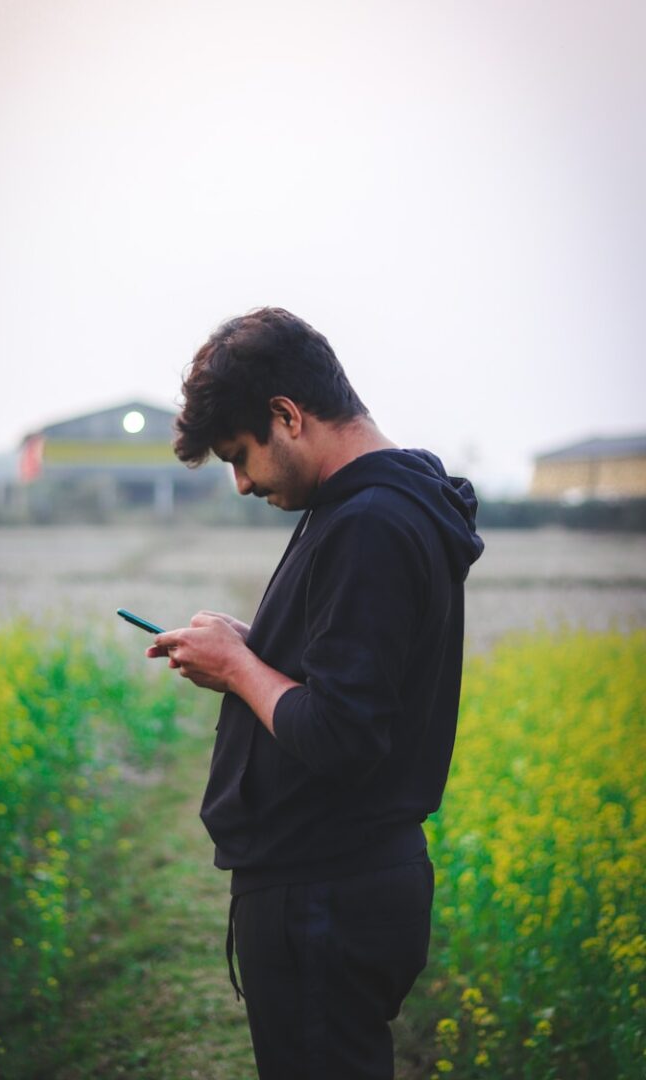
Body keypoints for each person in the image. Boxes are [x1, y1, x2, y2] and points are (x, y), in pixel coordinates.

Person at [146, 307, 484, 1080]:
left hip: (325, 892)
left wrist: (238, 667)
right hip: (335, 883)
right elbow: (351, 679)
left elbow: (341, 732)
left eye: (239, 456)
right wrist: (255, 646)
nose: (239, 485)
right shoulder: (374, 506)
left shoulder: (369, 521)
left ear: (287, 416)